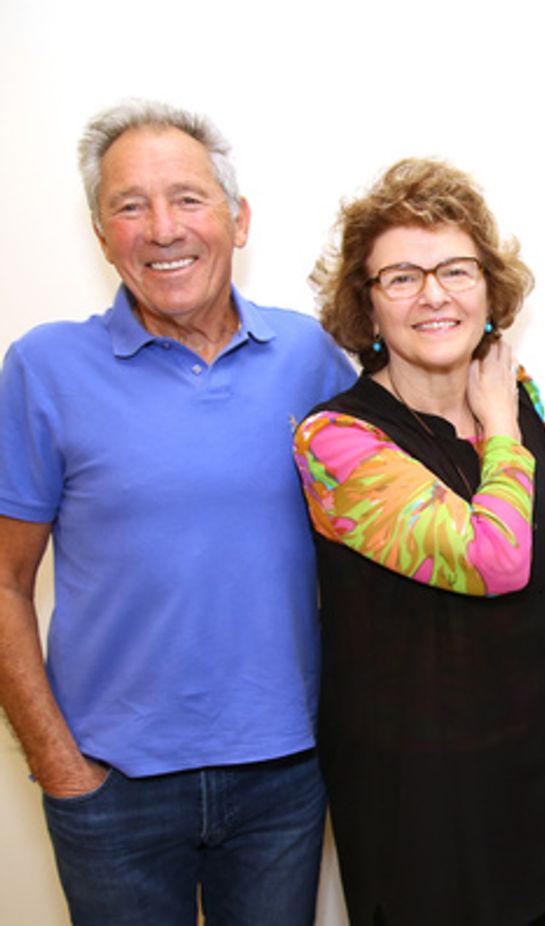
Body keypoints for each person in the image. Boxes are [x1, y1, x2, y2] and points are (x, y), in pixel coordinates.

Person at [0, 100, 354, 925]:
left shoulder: (308, 358)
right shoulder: (44, 369)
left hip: (285, 780)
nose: (162, 229)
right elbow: (6, 583)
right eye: (130, 206)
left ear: (238, 219)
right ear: (102, 235)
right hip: (111, 787)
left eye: (188, 199)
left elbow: (386, 525)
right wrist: (58, 764)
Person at [292, 157, 545, 926]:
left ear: (489, 290)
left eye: (455, 270)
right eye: (401, 277)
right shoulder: (335, 440)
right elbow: (496, 559)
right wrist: (503, 429)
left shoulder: (516, 397)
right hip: (421, 812)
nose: (433, 295)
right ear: (367, 305)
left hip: (536, 786)